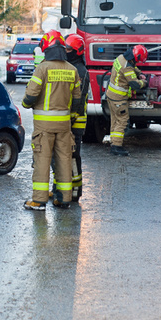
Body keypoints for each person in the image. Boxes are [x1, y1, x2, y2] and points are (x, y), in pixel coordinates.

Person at [22, 30, 82, 211]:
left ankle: (39, 200)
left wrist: (26, 104)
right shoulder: (72, 70)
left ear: (47, 48)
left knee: (42, 160)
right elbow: (77, 100)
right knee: (64, 160)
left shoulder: (42, 68)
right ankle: (63, 199)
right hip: (64, 125)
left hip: (44, 126)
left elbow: (30, 96)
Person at [105, 44, 148, 156]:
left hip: (110, 95)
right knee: (122, 120)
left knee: (115, 120)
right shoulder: (127, 67)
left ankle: (114, 143)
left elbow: (132, 67)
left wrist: (140, 73)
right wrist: (144, 82)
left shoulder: (121, 58)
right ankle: (116, 147)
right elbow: (134, 84)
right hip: (118, 98)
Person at [63, 34, 89, 203]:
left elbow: (78, 101)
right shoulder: (68, 67)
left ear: (77, 52)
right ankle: (64, 188)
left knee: (73, 156)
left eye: (69, 49)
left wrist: (69, 120)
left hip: (75, 122)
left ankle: (76, 191)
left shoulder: (81, 71)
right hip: (66, 121)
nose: (66, 51)